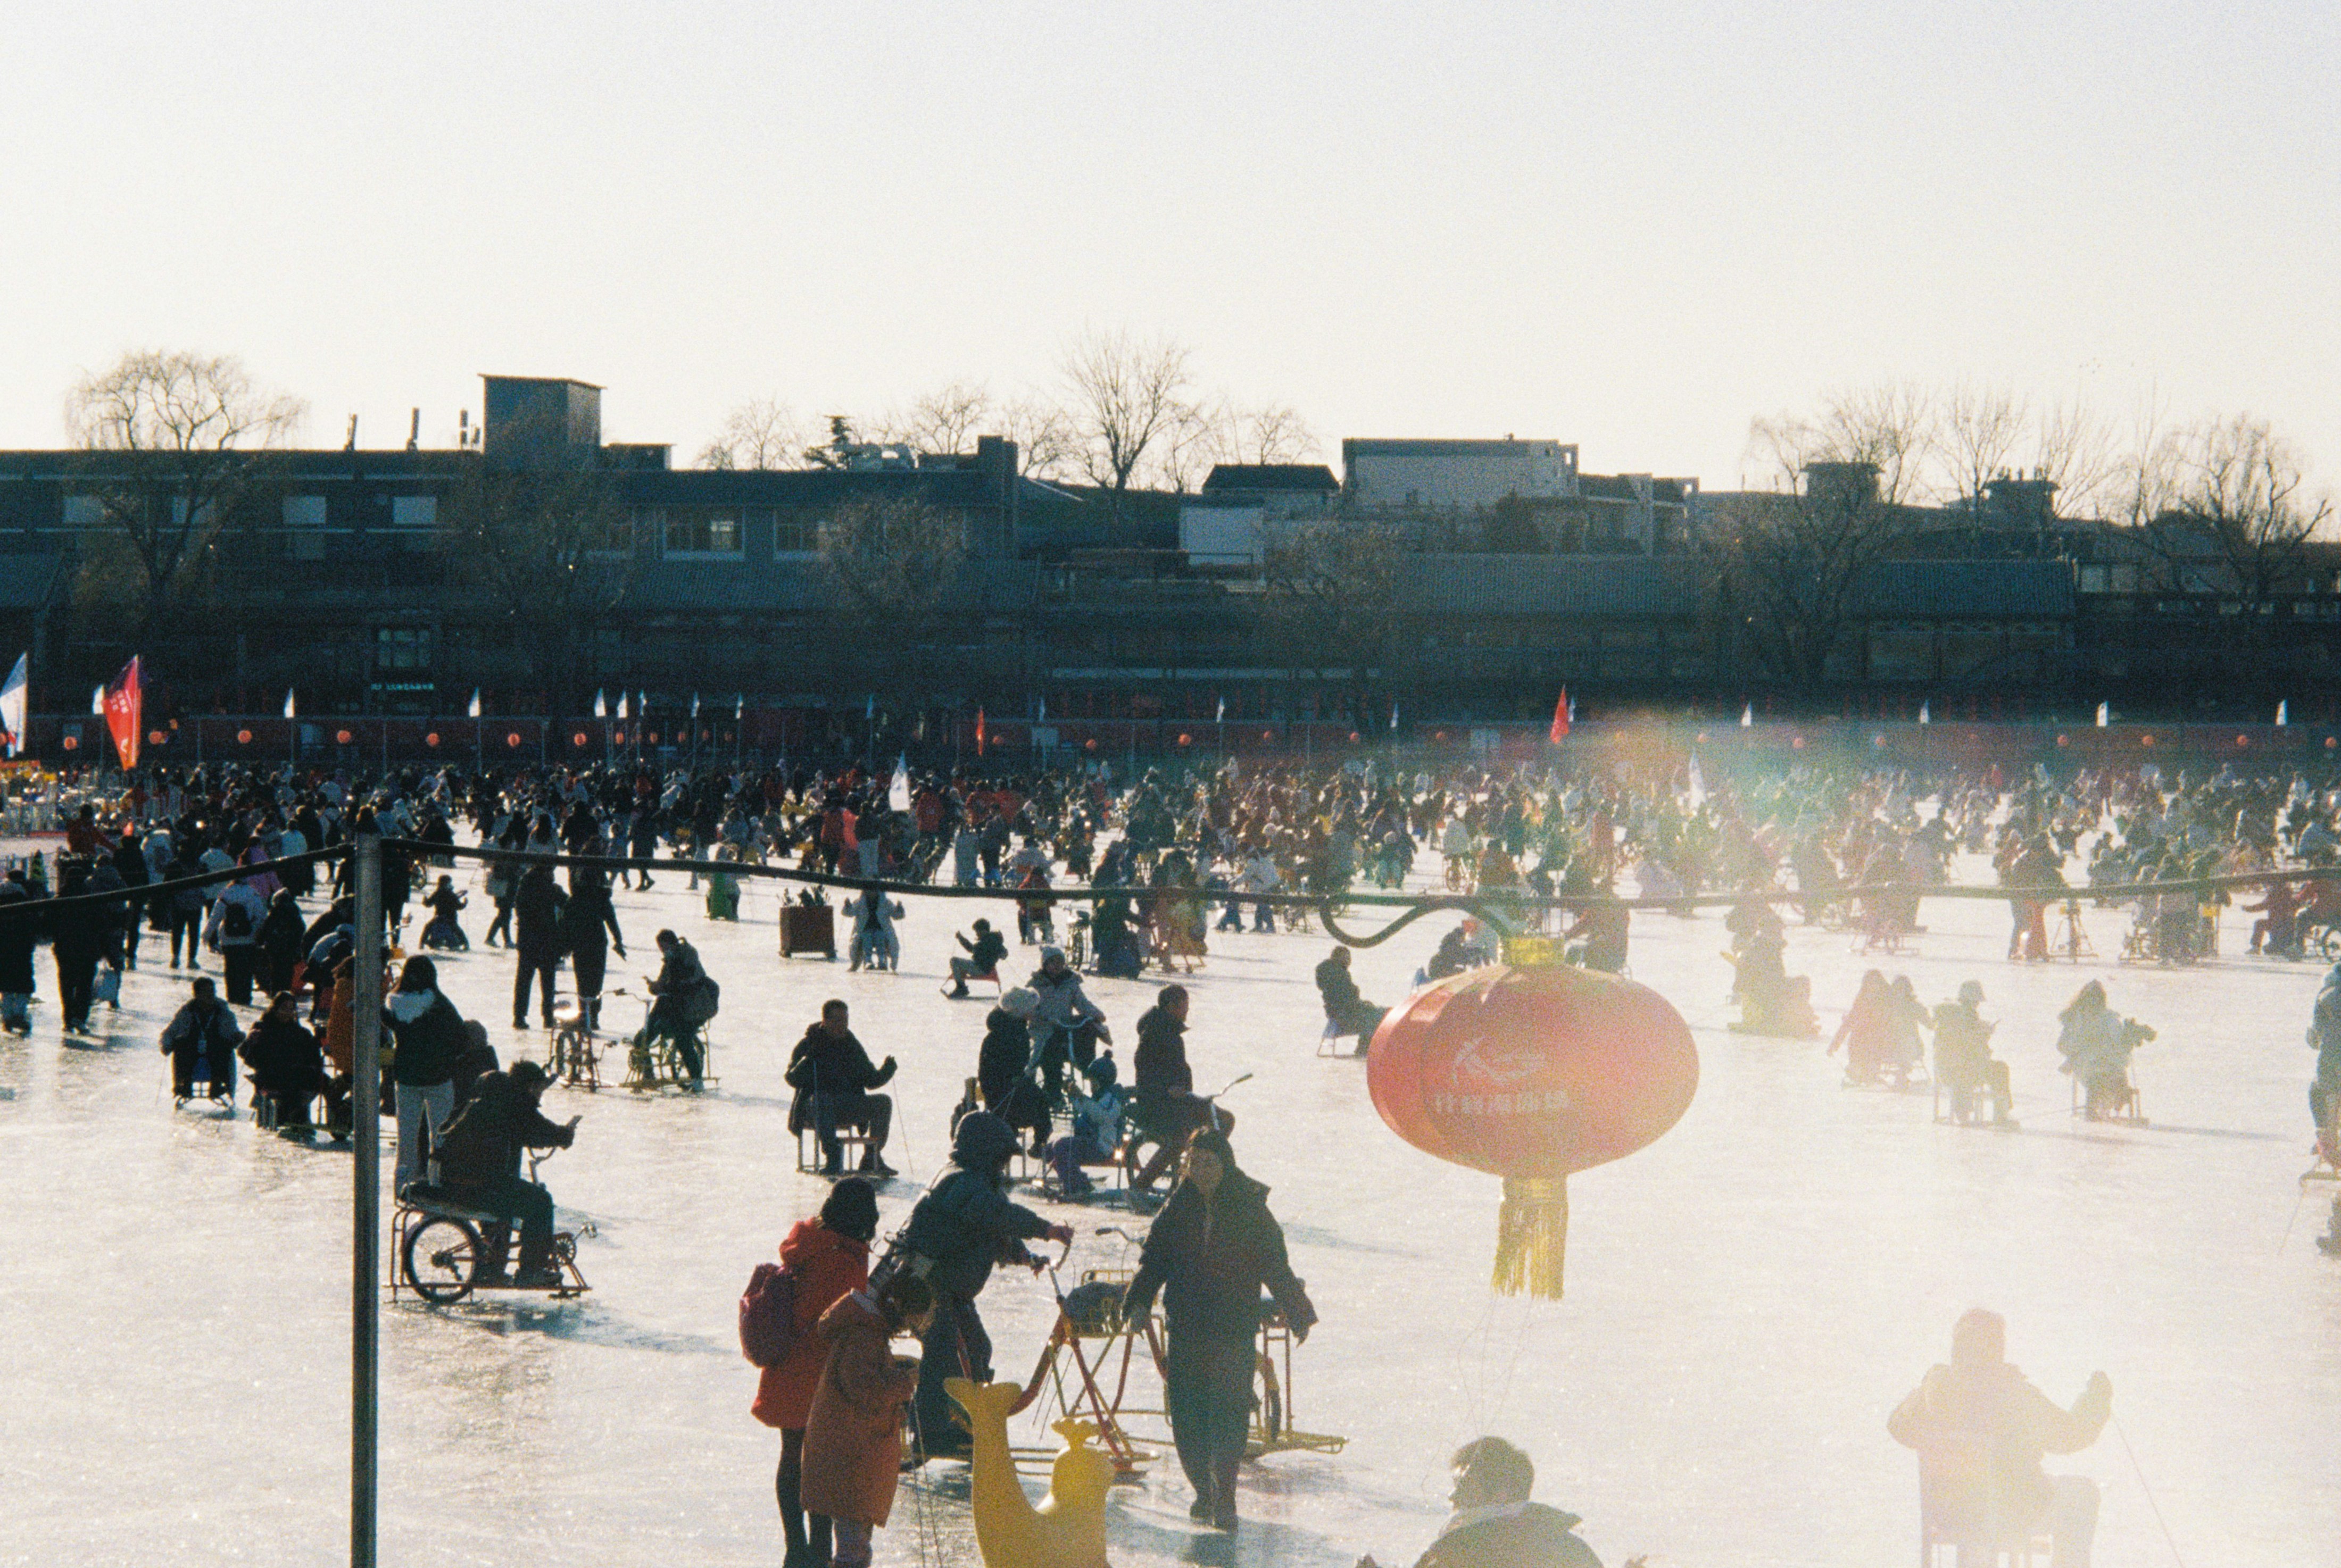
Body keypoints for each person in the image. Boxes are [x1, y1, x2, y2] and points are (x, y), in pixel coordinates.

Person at [1122, 1129, 1316, 1531]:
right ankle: (1203, 1491)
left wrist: (1297, 1310)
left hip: (1232, 1329)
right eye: (1193, 1163)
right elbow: (1153, 1261)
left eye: (1208, 1163)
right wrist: (1138, 1303)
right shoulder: (1178, 1209)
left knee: (1228, 1416)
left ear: (1225, 1166)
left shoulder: (1249, 1209)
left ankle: (1224, 1498)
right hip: (1188, 1328)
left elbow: (1275, 1266)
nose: (1200, 1171)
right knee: (1188, 1418)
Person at [902, 1111, 1073, 1461]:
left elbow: (994, 1233)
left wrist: (1027, 1257)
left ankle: (964, 1422)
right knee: (945, 1352)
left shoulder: (975, 1184)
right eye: (1000, 1158)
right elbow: (996, 1216)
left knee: (978, 1350)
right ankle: (930, 1434)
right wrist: (1046, 1228)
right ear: (984, 1153)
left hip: (950, 1286)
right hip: (924, 1283)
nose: (1004, 1167)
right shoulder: (962, 1182)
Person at [1888, 1308, 2111, 1566]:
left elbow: (1897, 1426)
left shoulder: (1932, 1394)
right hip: (2010, 1512)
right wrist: (2096, 1400)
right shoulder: (2015, 1397)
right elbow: (2070, 1436)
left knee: (1978, 1511)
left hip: (1950, 1512)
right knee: (2080, 1495)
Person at [752, 1179, 880, 1568]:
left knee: (792, 1456)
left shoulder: (808, 1242)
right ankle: (820, 1549)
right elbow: (838, 1316)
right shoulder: (841, 1258)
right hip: (822, 1372)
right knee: (822, 1465)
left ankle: (796, 1548)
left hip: (787, 1367)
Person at [801, 1272, 935, 1568]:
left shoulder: (870, 1334)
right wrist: (901, 1385)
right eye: (915, 1318)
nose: (914, 1326)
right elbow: (862, 1389)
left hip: (856, 1457)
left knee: (857, 1546)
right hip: (849, 1458)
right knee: (853, 1550)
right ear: (898, 1306)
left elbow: (866, 1386)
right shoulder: (863, 1336)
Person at [431, 1060, 577, 1288]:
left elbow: (526, 1131)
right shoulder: (515, 1103)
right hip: (477, 1184)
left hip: (458, 1177)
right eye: (539, 1090)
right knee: (540, 1203)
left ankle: (491, 1267)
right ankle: (532, 1271)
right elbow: (537, 1131)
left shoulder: (491, 1097)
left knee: (509, 1199)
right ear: (530, 1086)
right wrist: (564, 1135)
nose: (540, 1096)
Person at [1356, 1436, 1606, 1568]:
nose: (1452, 1498)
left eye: (1463, 1487)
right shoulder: (1568, 1546)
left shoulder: (1458, 1551)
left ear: (1502, 1494)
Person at [1130, 984, 1236, 1191]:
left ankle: (1201, 1168)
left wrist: (1183, 1090)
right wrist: (1167, 1090)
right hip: (1157, 1102)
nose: (1187, 1011)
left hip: (1180, 1099)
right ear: (1171, 1007)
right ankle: (1140, 1186)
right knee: (1179, 1139)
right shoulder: (1153, 1033)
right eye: (1184, 1006)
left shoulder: (1170, 1031)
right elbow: (1144, 1069)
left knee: (1225, 1120)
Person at [384, 956, 470, 1191]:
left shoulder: (394, 1005)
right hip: (438, 1079)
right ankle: (438, 1184)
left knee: (407, 1138)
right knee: (440, 1136)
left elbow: (392, 1024)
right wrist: (447, 1059)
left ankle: (403, 1185)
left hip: (407, 1079)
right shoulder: (440, 1005)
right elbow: (462, 1038)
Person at [785, 1000, 897, 1176]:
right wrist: (809, 1059)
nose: (842, 1026)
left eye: (845, 1020)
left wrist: (887, 1071)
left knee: (883, 1103)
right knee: (822, 1099)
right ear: (825, 1021)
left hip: (846, 1105)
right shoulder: (810, 1044)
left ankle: (871, 1156)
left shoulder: (851, 1045)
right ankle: (833, 1155)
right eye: (837, 1021)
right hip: (813, 1108)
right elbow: (792, 1078)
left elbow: (870, 1080)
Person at [239, 990, 347, 1135]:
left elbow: (313, 1056)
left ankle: (338, 1118)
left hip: (298, 1073)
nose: (288, 1013)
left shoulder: (300, 1033)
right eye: (284, 1008)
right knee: (295, 1082)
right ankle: (294, 1115)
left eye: (291, 1009)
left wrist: (319, 1043)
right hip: (272, 1075)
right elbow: (245, 1054)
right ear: (275, 1009)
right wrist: (250, 1041)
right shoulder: (263, 1028)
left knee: (325, 1082)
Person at [2055, 980, 2152, 1120]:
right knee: (2097, 1075)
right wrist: (2077, 1049)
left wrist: (2129, 1038)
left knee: (2113, 1072)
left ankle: (2116, 1095)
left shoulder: (2110, 1019)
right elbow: (2063, 1045)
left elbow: (2119, 1044)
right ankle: (2098, 1104)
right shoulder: (2076, 1019)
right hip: (2087, 1064)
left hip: (2111, 1063)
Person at [1028, 945, 1109, 1099]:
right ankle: (1053, 1092)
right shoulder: (1036, 985)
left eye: (1060, 962)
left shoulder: (1070, 983)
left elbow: (1082, 1004)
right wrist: (1042, 1018)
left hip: (1064, 1028)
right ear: (1045, 964)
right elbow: (1029, 1009)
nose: (1057, 966)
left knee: (1086, 1033)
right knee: (1050, 1051)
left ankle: (1090, 1073)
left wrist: (1096, 1014)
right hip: (1042, 1030)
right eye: (1053, 962)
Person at [977, 987, 1050, 1153]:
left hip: (999, 1089)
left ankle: (1028, 1138)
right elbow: (1012, 1065)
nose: (1035, 1011)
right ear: (1020, 1011)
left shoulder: (1008, 1030)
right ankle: (1039, 1142)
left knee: (1036, 1097)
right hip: (1002, 1090)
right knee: (1041, 1101)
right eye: (1032, 1008)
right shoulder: (1014, 1034)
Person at [642, 928, 719, 1085]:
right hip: (674, 1006)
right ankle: (648, 1074)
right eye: (661, 949)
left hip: (695, 1007)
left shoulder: (688, 955)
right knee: (643, 1038)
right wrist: (655, 987)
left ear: (673, 944)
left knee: (683, 1038)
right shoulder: (669, 961)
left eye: (664, 947)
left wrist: (665, 985)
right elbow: (664, 982)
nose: (663, 952)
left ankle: (696, 1079)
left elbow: (685, 979)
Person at [1933, 981, 2016, 1127]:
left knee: (1965, 1071)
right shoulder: (1968, 1016)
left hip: (1943, 1070)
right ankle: (2001, 1114)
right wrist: (1986, 1033)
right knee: (2000, 1069)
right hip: (1966, 1070)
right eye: (1977, 1001)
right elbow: (1973, 1048)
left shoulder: (1947, 1018)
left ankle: (1963, 1112)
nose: (1978, 1004)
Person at [161, 976, 243, 1105]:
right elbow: (170, 1032)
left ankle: (217, 1084)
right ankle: (185, 1083)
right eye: (205, 992)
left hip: (215, 1053)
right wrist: (167, 1045)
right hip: (192, 1052)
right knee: (181, 1043)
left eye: (212, 991)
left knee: (223, 1046)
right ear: (196, 994)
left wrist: (239, 1037)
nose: (210, 995)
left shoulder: (224, 1013)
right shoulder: (187, 1012)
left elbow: (232, 1034)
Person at [563, 868, 625, 1031]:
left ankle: (585, 1014)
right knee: (596, 981)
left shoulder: (575, 899)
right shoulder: (601, 898)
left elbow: (566, 924)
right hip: (597, 943)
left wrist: (565, 945)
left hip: (581, 943)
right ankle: (593, 1016)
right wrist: (618, 941)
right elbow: (612, 921)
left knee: (583, 981)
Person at [511, 861, 567, 1030]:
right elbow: (569, 904)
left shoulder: (524, 888)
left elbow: (520, 911)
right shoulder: (552, 890)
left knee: (524, 981)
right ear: (547, 871)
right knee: (548, 982)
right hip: (547, 942)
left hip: (527, 941)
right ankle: (548, 1017)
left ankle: (519, 1017)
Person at [1315, 945, 1388, 1041]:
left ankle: (1365, 1047)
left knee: (1374, 1013)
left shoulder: (1332, 974)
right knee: (1379, 1017)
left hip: (1339, 1016)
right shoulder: (1338, 975)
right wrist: (1361, 1002)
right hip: (1346, 1019)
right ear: (1338, 958)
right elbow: (1348, 1001)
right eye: (1346, 957)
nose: (1349, 961)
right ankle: (1364, 1048)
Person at [0, 869, 35, 1034]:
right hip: (21, 947)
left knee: (6, 984)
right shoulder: (23, 897)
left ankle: (6, 1018)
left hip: (3, 947)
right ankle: (19, 1016)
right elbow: (31, 924)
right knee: (23, 985)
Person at [943, 918, 1007, 1000]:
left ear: (983, 931)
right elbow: (1004, 954)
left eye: (977, 932)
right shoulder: (994, 940)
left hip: (980, 969)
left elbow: (971, 948)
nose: (977, 934)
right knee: (959, 962)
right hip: (986, 968)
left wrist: (960, 938)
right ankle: (961, 987)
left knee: (954, 961)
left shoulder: (985, 943)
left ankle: (961, 988)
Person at [846, 884, 903, 973]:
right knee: (866, 939)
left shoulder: (886, 903)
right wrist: (848, 906)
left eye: (874, 890)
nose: (872, 893)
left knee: (880, 939)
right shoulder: (859, 903)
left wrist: (899, 909)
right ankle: (868, 961)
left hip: (882, 930)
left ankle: (882, 960)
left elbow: (896, 915)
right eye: (869, 890)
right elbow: (850, 913)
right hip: (864, 930)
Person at [419, 875, 470, 951]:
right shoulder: (451, 894)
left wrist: (425, 901)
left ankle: (422, 942)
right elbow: (459, 906)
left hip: (439, 917)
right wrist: (465, 904)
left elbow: (428, 904)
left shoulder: (437, 893)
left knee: (428, 927)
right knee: (456, 929)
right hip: (450, 918)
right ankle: (465, 943)